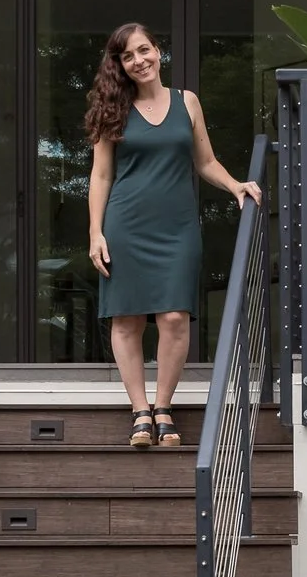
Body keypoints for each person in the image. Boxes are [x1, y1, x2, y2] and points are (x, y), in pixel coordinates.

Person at [84, 23, 260, 446]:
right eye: (128, 57)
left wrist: (236, 185)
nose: (139, 60)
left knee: (174, 317)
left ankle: (164, 407)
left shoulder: (187, 102)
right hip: (125, 225)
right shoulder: (114, 108)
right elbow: (102, 175)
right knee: (126, 319)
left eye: (144, 50)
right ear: (121, 66)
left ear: (157, 51)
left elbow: (205, 161)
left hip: (177, 226)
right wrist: (95, 232)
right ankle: (140, 412)